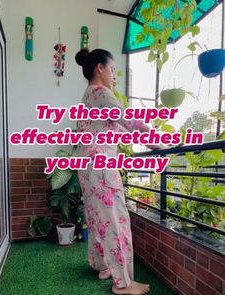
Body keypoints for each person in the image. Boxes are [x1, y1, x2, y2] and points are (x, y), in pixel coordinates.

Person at [75, 48, 158, 295]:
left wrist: (143, 138)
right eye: (112, 70)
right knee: (114, 220)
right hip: (100, 166)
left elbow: (118, 128)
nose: (114, 76)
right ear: (99, 68)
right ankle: (123, 283)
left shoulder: (88, 96)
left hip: (88, 167)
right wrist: (157, 140)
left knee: (98, 218)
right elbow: (128, 119)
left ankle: (103, 267)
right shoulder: (101, 92)